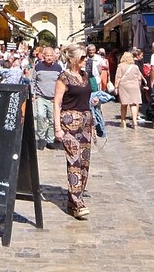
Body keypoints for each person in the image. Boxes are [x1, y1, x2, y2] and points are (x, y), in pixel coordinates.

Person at [53, 43, 97, 219]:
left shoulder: (85, 76)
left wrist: (93, 103)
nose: (85, 61)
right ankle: (78, 203)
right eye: (82, 58)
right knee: (75, 161)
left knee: (85, 164)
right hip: (69, 123)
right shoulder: (63, 78)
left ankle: (72, 201)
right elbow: (56, 103)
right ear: (73, 59)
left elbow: (88, 95)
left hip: (86, 123)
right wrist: (57, 128)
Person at [32, 46, 63, 150]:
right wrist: (33, 94)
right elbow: (33, 81)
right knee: (40, 116)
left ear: (54, 56)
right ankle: (41, 138)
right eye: (47, 56)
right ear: (43, 56)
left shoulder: (58, 68)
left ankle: (50, 139)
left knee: (53, 119)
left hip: (54, 98)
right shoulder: (38, 67)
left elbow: (62, 82)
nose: (49, 58)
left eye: (51, 56)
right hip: (41, 96)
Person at [115, 51, 146, 131]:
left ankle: (123, 121)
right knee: (134, 104)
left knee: (124, 104)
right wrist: (139, 86)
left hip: (124, 86)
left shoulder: (120, 66)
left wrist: (115, 87)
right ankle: (135, 122)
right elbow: (139, 77)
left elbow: (118, 77)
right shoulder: (135, 67)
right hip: (134, 86)